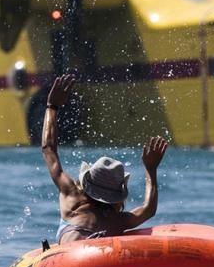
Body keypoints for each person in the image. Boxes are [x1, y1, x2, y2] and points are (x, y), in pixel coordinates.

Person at [41, 73, 168, 244]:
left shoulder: (72, 195)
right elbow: (148, 210)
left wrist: (52, 107)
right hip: (103, 254)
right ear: (117, 194)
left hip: (72, 252)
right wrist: (151, 169)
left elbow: (49, 149)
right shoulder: (120, 219)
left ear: (86, 182)